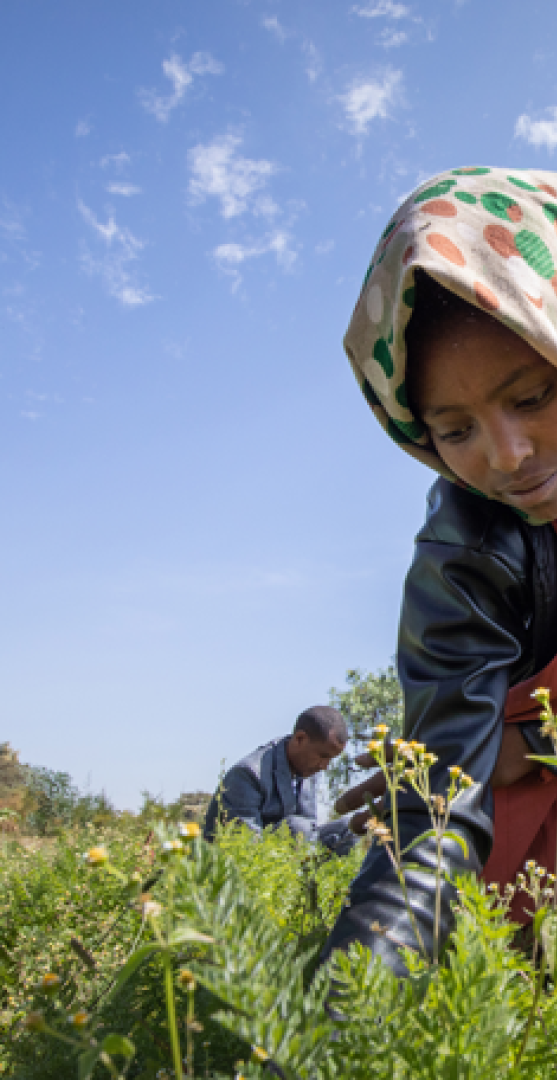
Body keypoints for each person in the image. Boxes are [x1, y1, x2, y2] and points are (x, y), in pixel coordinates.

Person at [325, 165, 557, 972]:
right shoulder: (466, 548)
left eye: (533, 397)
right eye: (455, 430)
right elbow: (439, 808)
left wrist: (523, 746)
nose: (508, 457)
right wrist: (341, 1010)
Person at [203, 706, 355, 854]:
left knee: (350, 827)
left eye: (330, 759)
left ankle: (320, 878)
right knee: (298, 827)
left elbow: (310, 825)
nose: (325, 766)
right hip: (251, 859)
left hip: (292, 854)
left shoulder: (309, 769)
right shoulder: (248, 773)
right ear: (300, 738)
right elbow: (246, 844)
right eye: (323, 756)